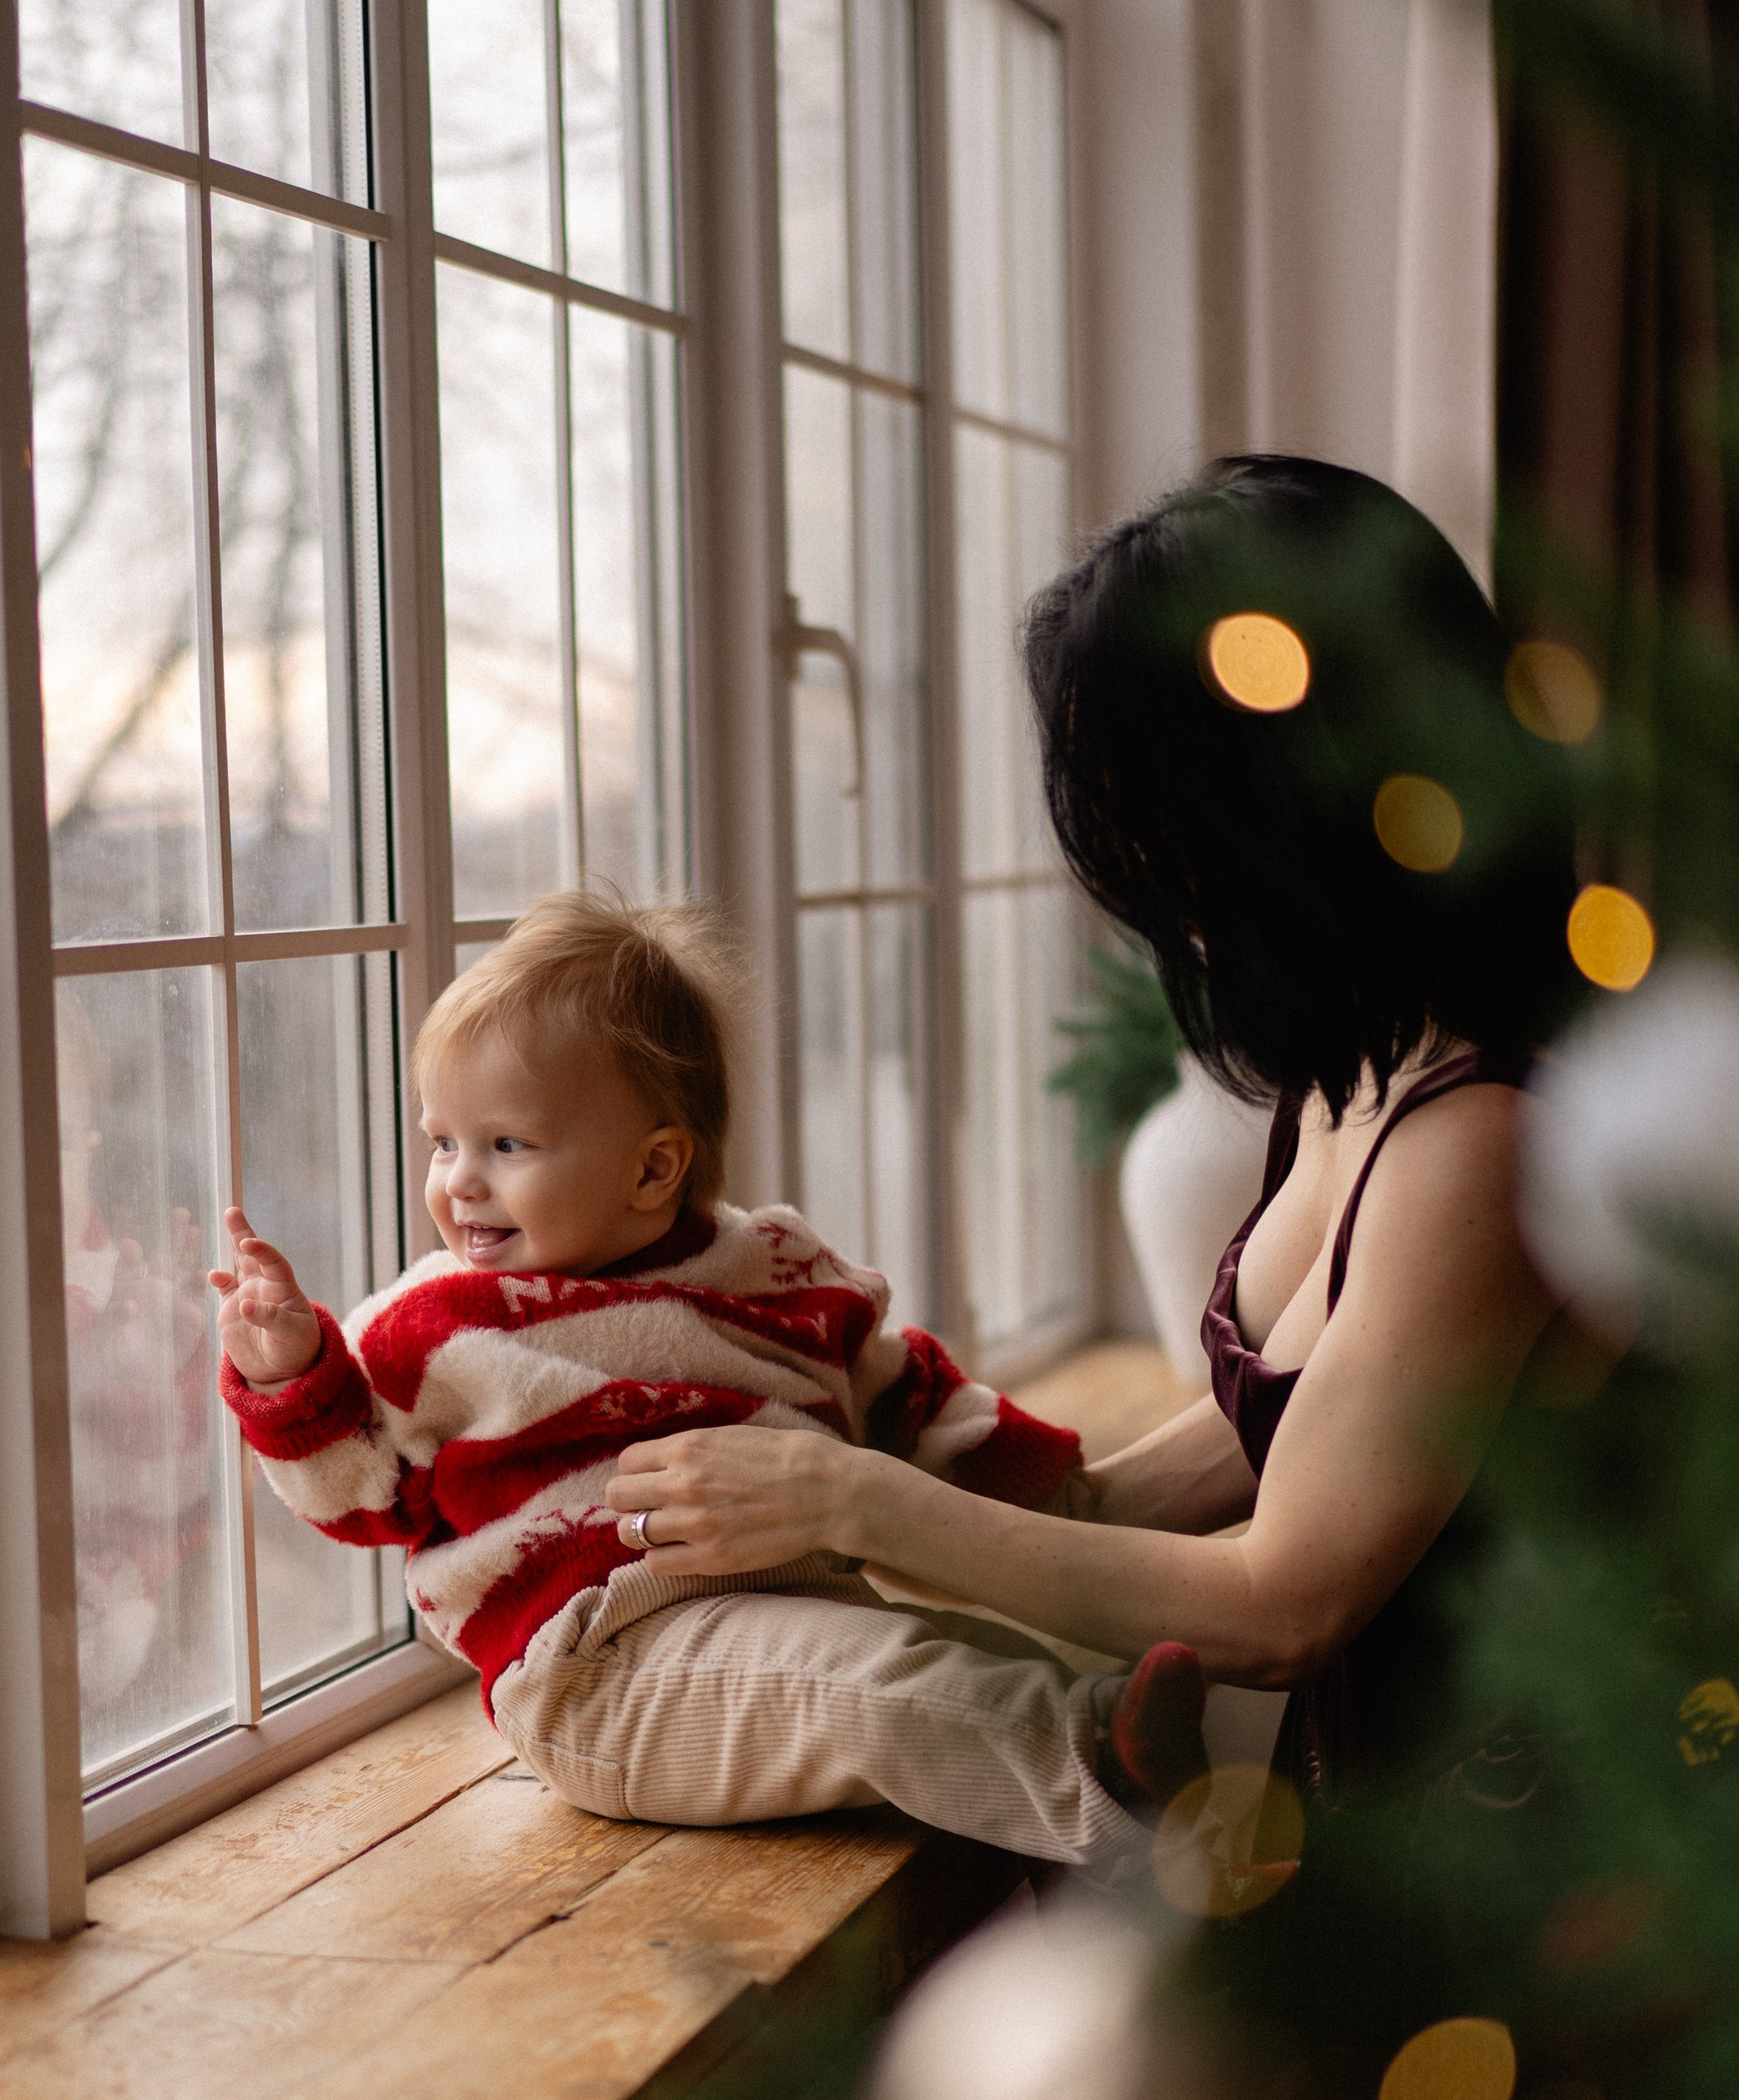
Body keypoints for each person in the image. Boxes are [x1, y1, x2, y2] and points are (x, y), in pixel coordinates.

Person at [604, 457, 1585, 1809]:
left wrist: (858, 1509)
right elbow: (1271, 1442)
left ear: (1269, 821)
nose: (1143, 890)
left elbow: (1287, 1596)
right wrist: (866, 1465)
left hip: (1529, 1859)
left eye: (1155, 830)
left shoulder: (1485, 1137)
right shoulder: (1360, 1073)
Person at [210, 892, 1211, 1870]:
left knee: (956, 1659)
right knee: (879, 1688)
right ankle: (1115, 1784)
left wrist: (1064, 1495)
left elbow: (908, 1394)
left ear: (654, 1172)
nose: (459, 1179)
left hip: (800, 1603)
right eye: (443, 1141)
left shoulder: (769, 1268)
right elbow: (362, 1495)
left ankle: (1142, 1768)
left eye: (506, 1145)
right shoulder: (434, 1322)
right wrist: (292, 1374)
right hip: (605, 1666)